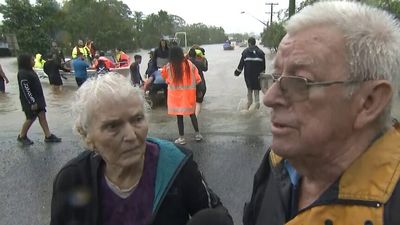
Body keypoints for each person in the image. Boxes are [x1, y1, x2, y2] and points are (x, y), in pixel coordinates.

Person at [243, 1, 400, 225]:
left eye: (300, 82)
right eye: (276, 77)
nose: (269, 98)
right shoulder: (276, 163)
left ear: (369, 102)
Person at [50, 73, 230, 225]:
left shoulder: (176, 164)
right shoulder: (73, 179)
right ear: (87, 136)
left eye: (137, 119)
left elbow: (217, 216)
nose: (130, 135)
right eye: (113, 126)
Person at [161, 46, 203, 145]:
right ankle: (197, 134)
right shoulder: (189, 64)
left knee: (179, 117)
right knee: (192, 114)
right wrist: (199, 91)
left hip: (175, 97)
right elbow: (198, 79)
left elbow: (165, 78)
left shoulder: (168, 66)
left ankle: (181, 138)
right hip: (189, 95)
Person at [17, 53, 61, 146]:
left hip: (38, 99)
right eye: (32, 60)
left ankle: (48, 136)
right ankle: (22, 136)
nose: (34, 61)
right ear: (26, 62)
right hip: (30, 101)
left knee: (42, 116)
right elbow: (25, 88)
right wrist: (32, 102)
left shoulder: (30, 71)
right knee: (30, 118)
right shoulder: (22, 73)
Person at [234, 37, 265, 110]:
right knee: (257, 95)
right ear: (255, 43)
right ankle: (257, 110)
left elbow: (241, 65)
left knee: (249, 93)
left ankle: (248, 109)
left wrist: (236, 73)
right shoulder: (261, 53)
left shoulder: (245, 52)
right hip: (257, 77)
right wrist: (262, 77)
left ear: (249, 43)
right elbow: (263, 68)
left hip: (248, 78)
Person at [188, 47, 208, 117]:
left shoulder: (185, 63)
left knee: (191, 102)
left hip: (189, 85)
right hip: (200, 84)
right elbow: (205, 68)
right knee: (199, 102)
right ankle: (195, 117)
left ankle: (191, 116)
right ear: (196, 55)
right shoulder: (199, 62)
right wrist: (203, 58)